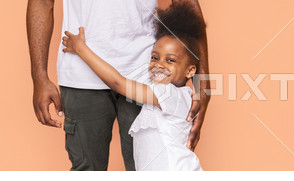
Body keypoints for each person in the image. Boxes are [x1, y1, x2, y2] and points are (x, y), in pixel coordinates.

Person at [26, 0, 210, 171]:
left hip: (140, 72)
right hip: (81, 76)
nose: (161, 64)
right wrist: (39, 75)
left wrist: (80, 48)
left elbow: (118, 82)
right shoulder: (168, 93)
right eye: (158, 58)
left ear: (190, 70)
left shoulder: (166, 94)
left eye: (170, 60)